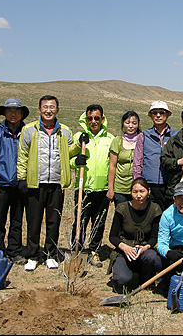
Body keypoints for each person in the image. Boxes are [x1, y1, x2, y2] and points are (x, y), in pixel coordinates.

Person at [17, 95, 80, 272]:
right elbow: (22, 155)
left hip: (56, 184)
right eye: (45, 107)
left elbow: (68, 152)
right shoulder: (29, 130)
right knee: (34, 221)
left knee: (54, 221)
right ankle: (32, 255)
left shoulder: (65, 131)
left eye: (52, 107)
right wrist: (22, 178)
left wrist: (79, 146)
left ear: (57, 110)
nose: (48, 110)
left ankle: (50, 254)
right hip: (35, 183)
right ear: (39, 109)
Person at [0, 98, 30, 265]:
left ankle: (14, 250)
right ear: (4, 113)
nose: (13, 114)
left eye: (16, 111)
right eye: (9, 111)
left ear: (21, 114)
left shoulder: (27, 131)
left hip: (19, 183)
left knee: (17, 220)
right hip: (0, 183)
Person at [70, 104, 115, 268]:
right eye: (90, 118)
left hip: (102, 189)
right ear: (86, 119)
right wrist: (75, 162)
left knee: (99, 223)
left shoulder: (110, 139)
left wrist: (111, 187)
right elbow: (68, 158)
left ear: (102, 119)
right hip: (84, 188)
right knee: (80, 221)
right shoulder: (79, 137)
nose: (93, 121)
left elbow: (113, 164)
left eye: (97, 118)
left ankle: (94, 251)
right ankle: (78, 250)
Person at [107, 177, 163, 291]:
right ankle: (121, 271)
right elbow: (112, 236)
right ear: (130, 193)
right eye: (135, 192)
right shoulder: (121, 208)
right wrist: (125, 247)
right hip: (124, 252)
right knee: (122, 280)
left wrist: (144, 248)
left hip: (143, 251)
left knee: (152, 257)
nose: (138, 195)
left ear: (149, 191)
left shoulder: (155, 209)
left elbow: (154, 237)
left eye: (142, 191)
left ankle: (144, 278)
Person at [133, 101, 178, 211]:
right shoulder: (143, 136)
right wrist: (137, 183)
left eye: (161, 112)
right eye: (154, 113)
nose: (158, 115)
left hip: (169, 184)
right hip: (148, 184)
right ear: (150, 115)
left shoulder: (176, 136)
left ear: (167, 115)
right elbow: (137, 162)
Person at [106, 111, 140, 204]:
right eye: (127, 123)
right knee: (121, 214)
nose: (130, 126)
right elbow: (112, 166)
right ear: (123, 124)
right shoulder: (117, 141)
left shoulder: (142, 140)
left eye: (134, 123)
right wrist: (110, 188)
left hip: (137, 188)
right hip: (120, 187)